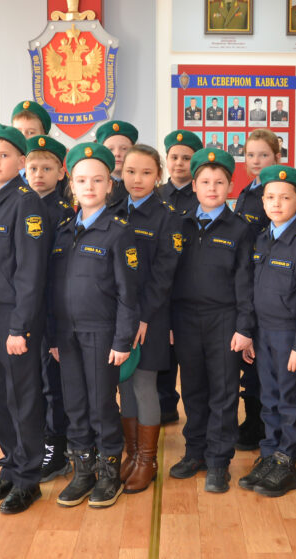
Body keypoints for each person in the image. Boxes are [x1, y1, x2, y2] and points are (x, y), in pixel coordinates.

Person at [48, 143, 139, 508]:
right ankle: (83, 470)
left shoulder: (118, 232)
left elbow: (129, 293)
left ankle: (108, 471)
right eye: (82, 180)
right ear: (71, 184)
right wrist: (54, 336)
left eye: (98, 180)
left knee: (102, 405)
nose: (89, 186)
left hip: (102, 333)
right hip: (67, 335)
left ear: (109, 185)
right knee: (74, 405)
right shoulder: (63, 231)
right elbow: (53, 290)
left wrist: (123, 340)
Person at [0, 123, 49, 515]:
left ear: (21, 161)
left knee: (22, 399)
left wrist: (20, 327)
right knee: (0, 398)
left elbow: (30, 273)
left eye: (4, 155)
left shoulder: (25, 203)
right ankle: (11, 466)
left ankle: (28, 479)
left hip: (13, 319)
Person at [168, 149, 254, 492]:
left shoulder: (240, 228)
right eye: (205, 182)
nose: (212, 188)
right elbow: (168, 276)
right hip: (185, 318)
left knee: (224, 391)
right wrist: (169, 321)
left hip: (224, 319)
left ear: (230, 186)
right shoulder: (180, 223)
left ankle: (219, 460)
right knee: (192, 389)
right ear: (194, 185)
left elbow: (245, 282)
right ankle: (195, 452)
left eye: (219, 182)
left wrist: (244, 327)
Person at [238, 165, 296, 497]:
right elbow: (253, 290)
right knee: (268, 397)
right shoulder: (262, 239)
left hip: (289, 336)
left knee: (291, 400)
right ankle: (270, 453)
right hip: (263, 334)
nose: (276, 203)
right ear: (262, 201)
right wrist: (249, 333)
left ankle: (288, 460)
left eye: (285, 198)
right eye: (270, 197)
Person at [115, 145, 183, 494]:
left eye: (145, 172)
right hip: (119, 317)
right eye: (130, 172)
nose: (137, 179)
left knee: (143, 385)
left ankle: (147, 461)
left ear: (158, 175)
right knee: (124, 385)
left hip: (150, 318)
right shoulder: (114, 209)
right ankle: (131, 455)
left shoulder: (167, 217)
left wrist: (142, 317)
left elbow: (163, 275)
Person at [24, 135, 74, 482]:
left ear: (61, 173)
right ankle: (37, 441)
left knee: (51, 383)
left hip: (52, 311)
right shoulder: (20, 206)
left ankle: (56, 447)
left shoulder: (64, 214)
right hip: (24, 311)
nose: (39, 174)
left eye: (46, 168)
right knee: (31, 382)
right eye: (33, 168)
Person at [234, 129, 281, 450]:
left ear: (277, 157)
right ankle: (252, 420)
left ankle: (264, 425)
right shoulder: (246, 192)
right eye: (250, 155)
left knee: (265, 364)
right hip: (245, 283)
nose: (256, 160)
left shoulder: (275, 193)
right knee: (249, 362)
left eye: (263, 155)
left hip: (267, 285)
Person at [156, 130, 203, 426]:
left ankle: (194, 410)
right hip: (161, 285)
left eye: (186, 158)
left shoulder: (202, 195)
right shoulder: (156, 194)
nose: (179, 163)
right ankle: (165, 403)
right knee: (162, 348)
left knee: (188, 351)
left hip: (189, 282)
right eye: (174, 157)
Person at [95, 120, 137, 206]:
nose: (117, 154)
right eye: (110, 149)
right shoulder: (94, 187)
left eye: (124, 148)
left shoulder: (143, 185)